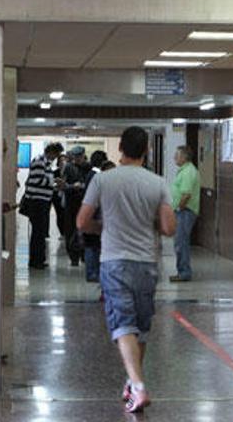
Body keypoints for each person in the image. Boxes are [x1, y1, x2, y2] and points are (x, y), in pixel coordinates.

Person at [77, 127, 176, 413]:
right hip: (146, 263)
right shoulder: (157, 182)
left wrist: (104, 227)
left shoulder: (102, 179)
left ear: (120, 147)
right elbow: (169, 228)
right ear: (147, 150)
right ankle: (132, 382)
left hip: (114, 261)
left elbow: (82, 222)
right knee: (140, 328)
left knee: (122, 325)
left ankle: (140, 387)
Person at [24, 142, 63, 270]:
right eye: (56, 154)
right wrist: (53, 182)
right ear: (51, 152)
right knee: (38, 232)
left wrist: (52, 182)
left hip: (42, 201)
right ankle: (36, 261)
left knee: (40, 232)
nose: (56, 157)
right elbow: (36, 180)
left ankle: (39, 259)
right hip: (36, 202)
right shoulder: (39, 161)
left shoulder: (45, 163)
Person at [169, 145, 201, 283]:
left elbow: (186, 194)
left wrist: (178, 208)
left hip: (185, 211)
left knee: (180, 243)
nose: (175, 157)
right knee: (180, 242)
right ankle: (182, 271)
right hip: (183, 211)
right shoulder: (184, 170)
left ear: (185, 157)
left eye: (177, 155)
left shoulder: (188, 172)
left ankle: (184, 273)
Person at [81, 151, 108, 283]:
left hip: (91, 213)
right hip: (93, 214)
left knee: (93, 244)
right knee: (92, 245)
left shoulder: (92, 175)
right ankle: (92, 273)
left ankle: (93, 272)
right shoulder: (95, 176)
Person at [61, 146, 88, 266]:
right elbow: (63, 185)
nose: (77, 159)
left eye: (79, 157)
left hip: (85, 204)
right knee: (70, 230)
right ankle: (73, 257)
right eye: (75, 157)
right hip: (71, 203)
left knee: (84, 230)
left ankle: (84, 254)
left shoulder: (89, 167)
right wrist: (72, 187)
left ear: (83, 156)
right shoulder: (68, 167)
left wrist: (82, 186)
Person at [51, 154, 68, 239]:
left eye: (64, 160)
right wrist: (57, 183)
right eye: (61, 161)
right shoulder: (55, 172)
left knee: (66, 214)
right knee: (59, 214)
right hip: (57, 195)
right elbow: (51, 184)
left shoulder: (69, 172)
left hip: (66, 195)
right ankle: (62, 233)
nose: (63, 162)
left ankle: (67, 232)